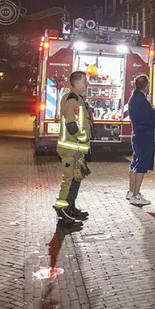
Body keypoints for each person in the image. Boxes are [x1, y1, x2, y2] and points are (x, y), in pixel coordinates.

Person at [53, 71, 92, 228]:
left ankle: (71, 208)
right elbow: (71, 125)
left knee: (76, 179)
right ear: (75, 82)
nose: (87, 83)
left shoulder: (79, 99)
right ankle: (63, 213)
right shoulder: (73, 100)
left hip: (77, 148)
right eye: (84, 80)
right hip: (71, 148)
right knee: (68, 181)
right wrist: (83, 138)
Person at [127, 75, 155, 206]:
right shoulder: (142, 101)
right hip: (143, 136)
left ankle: (131, 191)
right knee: (141, 165)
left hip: (137, 135)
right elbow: (152, 119)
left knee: (135, 163)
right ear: (146, 86)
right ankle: (136, 194)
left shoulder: (133, 99)